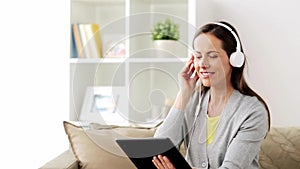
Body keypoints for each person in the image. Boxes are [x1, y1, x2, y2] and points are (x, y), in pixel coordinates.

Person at [152, 21, 270, 169]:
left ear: (234, 59)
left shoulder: (252, 112)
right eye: (198, 56)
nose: (202, 64)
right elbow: (158, 151)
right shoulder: (192, 100)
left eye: (212, 56)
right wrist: (184, 94)